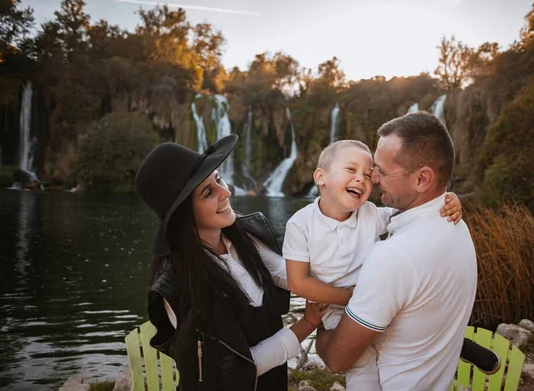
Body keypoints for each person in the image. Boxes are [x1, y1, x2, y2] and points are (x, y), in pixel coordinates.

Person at [134, 135, 326, 391]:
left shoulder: (245, 237)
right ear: (184, 214)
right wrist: (307, 324)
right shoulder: (180, 288)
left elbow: (291, 276)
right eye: (208, 192)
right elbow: (242, 366)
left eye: (219, 179)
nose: (227, 192)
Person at [316, 112, 479, 390]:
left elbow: (336, 359)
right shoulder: (456, 227)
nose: (372, 177)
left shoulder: (394, 256)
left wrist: (318, 319)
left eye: (382, 170)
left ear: (422, 179)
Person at [283, 139, 463, 391]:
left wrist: (448, 199)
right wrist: (348, 298)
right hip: (336, 307)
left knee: (394, 348)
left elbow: (413, 213)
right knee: (361, 364)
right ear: (321, 177)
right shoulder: (300, 225)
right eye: (351, 170)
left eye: (368, 175)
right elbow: (298, 282)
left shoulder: (371, 213)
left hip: (379, 305)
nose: (361, 179)